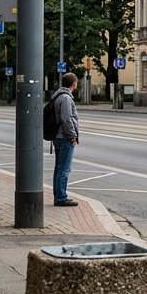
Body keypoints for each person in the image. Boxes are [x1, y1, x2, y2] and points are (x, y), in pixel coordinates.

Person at [51, 72, 80, 207]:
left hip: (57, 136)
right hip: (64, 137)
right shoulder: (66, 98)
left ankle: (58, 195)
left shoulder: (56, 95)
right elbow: (66, 119)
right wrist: (72, 136)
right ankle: (61, 197)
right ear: (74, 83)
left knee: (59, 168)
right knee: (64, 169)